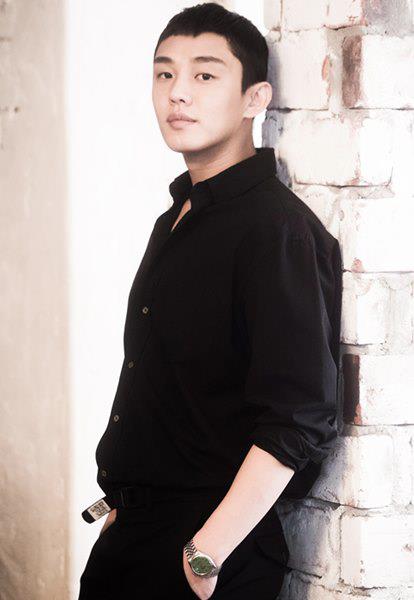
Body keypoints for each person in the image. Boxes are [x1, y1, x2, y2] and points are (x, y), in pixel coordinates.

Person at [78, 3, 343, 599]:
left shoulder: (275, 230)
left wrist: (207, 552)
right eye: (164, 73)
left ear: (255, 99)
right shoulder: (176, 217)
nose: (178, 93)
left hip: (207, 552)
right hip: (134, 537)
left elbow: (299, 414)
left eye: (204, 74)